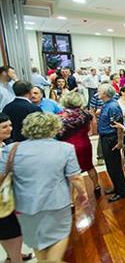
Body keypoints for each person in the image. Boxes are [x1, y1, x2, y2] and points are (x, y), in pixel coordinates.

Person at [0, 112, 87, 262]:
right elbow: (76, 177)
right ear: (54, 128)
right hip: (57, 202)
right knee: (59, 235)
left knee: (37, 239)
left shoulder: (12, 149)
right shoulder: (65, 148)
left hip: (25, 205)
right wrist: (82, 193)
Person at [0, 113, 34, 263]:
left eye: (10, 125)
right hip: (3, 198)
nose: (9, 129)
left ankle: (14, 255)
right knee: (11, 231)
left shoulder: (4, 144)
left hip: (9, 195)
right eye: (4, 127)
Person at [57, 92, 101, 198]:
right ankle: (97, 187)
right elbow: (89, 129)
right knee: (90, 166)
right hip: (84, 143)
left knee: (70, 172)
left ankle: (72, 200)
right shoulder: (85, 114)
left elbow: (58, 133)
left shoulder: (60, 116)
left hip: (68, 146)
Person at [97, 83, 125, 202]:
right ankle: (117, 187)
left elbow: (119, 126)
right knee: (110, 166)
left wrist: (120, 141)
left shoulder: (113, 106)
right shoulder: (107, 105)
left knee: (115, 166)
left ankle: (122, 191)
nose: (98, 94)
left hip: (111, 138)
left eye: (99, 92)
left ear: (105, 94)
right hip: (105, 137)